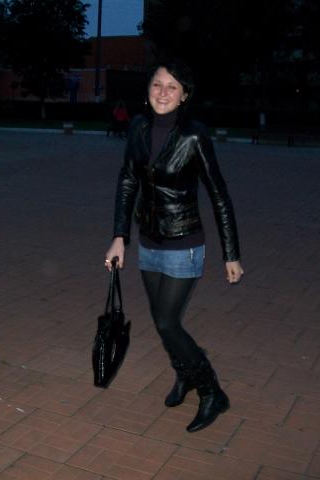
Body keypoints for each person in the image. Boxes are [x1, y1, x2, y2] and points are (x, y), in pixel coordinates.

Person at [104, 61, 244, 432]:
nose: (163, 92)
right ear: (148, 89)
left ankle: (212, 391)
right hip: (148, 242)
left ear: (184, 95)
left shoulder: (194, 136)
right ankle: (185, 375)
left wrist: (231, 253)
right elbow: (128, 180)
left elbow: (219, 194)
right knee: (162, 322)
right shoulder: (138, 126)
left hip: (184, 243)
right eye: (157, 84)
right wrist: (120, 236)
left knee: (167, 322)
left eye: (172, 86)